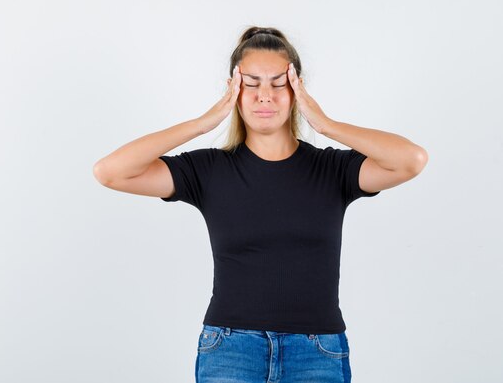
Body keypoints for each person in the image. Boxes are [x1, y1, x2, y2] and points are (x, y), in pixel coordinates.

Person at [93, 26, 428, 383]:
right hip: (230, 350)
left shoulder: (332, 169)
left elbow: (411, 160)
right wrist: (202, 123)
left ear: (297, 89)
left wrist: (328, 125)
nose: (264, 96)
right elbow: (110, 172)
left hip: (316, 352)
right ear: (233, 91)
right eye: (251, 84)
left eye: (277, 84)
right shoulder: (208, 169)